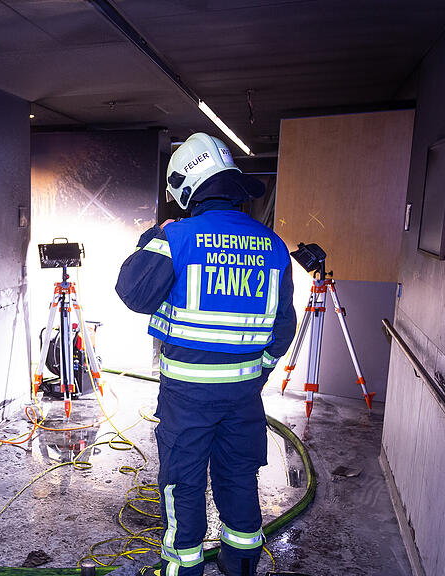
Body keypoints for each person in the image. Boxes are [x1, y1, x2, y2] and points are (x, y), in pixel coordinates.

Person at [116, 133, 297, 576]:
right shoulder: (273, 246)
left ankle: (183, 568)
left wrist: (152, 238)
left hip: (188, 395)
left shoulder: (176, 237)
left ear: (187, 185)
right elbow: (283, 327)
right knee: (239, 478)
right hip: (243, 396)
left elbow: (132, 291)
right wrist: (259, 373)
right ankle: (240, 566)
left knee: (184, 484)